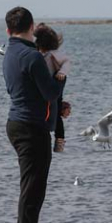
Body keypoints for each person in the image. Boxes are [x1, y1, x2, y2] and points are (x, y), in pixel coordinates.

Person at [2, 6, 65, 223]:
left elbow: (23, 90)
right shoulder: (32, 56)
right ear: (31, 28)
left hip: (16, 123)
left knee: (29, 187)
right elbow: (50, 91)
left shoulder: (9, 54)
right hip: (31, 128)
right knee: (33, 190)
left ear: (8, 30)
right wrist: (62, 75)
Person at [33, 24, 71, 154]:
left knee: (58, 111)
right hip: (47, 85)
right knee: (55, 111)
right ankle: (57, 139)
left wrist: (62, 73)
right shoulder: (37, 54)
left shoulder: (54, 54)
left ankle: (59, 141)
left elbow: (67, 62)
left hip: (55, 81)